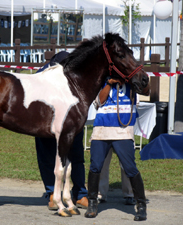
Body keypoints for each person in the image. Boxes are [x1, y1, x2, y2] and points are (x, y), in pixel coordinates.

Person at [85, 77, 147, 221]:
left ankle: (141, 205)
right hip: (102, 129)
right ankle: (92, 203)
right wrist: (109, 83)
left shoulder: (132, 80)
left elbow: (147, 90)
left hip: (123, 130)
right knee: (95, 166)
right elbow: (99, 101)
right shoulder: (102, 79)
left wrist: (139, 79)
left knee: (129, 167)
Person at [35, 51, 88, 210]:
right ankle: (51, 192)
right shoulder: (42, 74)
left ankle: (79, 193)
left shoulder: (77, 73)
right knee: (46, 157)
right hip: (46, 122)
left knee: (77, 156)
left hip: (71, 122)